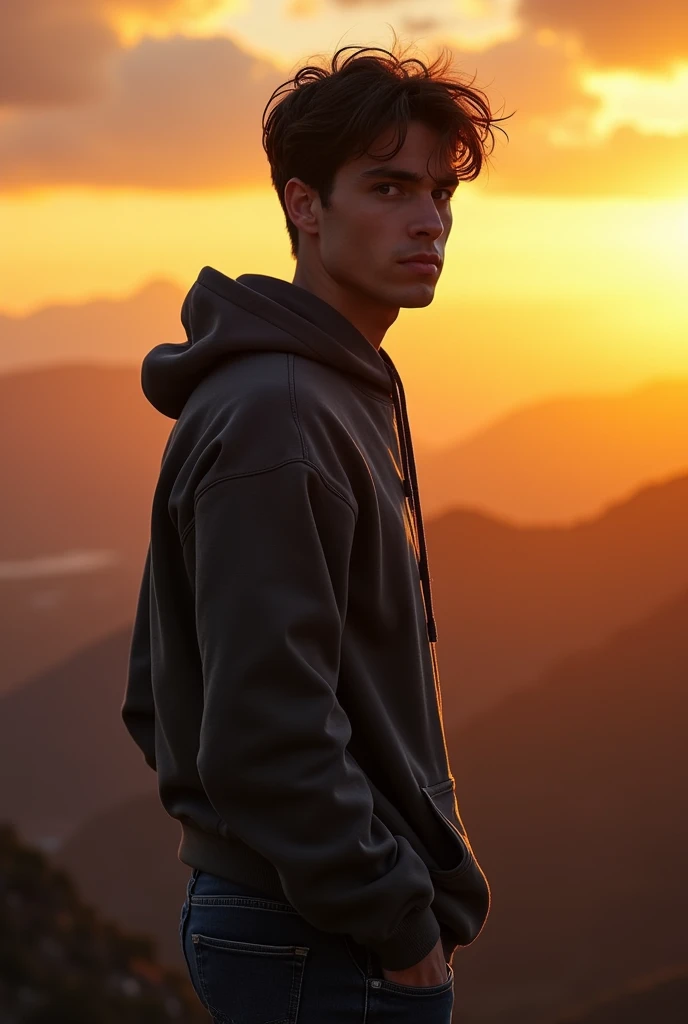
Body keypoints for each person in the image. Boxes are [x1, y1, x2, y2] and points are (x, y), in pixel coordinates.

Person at [122, 35, 509, 1023]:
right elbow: (262, 732)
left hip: (307, 923)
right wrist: (394, 920)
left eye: (440, 196)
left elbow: (156, 699)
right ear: (305, 206)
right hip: (317, 940)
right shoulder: (278, 416)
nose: (427, 221)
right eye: (387, 189)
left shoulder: (326, 392)